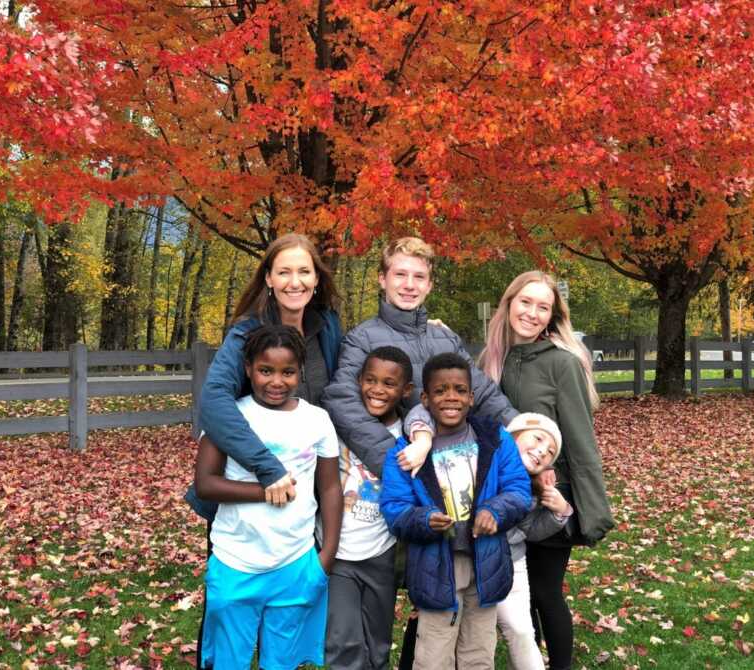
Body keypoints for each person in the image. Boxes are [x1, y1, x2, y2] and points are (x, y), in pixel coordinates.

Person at [185, 233, 342, 668]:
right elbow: (214, 400)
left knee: (285, 619)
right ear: (269, 278)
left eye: (304, 271)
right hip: (245, 491)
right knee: (227, 619)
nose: (296, 281)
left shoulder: (325, 326)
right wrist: (267, 470)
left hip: (304, 490)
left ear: (317, 278)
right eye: (285, 271)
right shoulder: (246, 333)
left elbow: (347, 383)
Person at [477, 270, 614, 670]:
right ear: (509, 303)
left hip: (551, 493)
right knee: (519, 598)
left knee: (544, 591)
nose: (532, 313)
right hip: (504, 497)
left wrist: (589, 510)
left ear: (552, 316)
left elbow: (580, 441)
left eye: (543, 307)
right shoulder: (491, 360)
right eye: (526, 302)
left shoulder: (562, 364)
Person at [379, 353, 531, 670]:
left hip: (485, 562)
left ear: (472, 397)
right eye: (440, 390)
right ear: (425, 398)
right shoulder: (405, 451)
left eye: (460, 390)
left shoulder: (495, 438)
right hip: (436, 567)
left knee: (478, 652)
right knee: (434, 656)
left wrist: (495, 510)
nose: (451, 397)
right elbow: (394, 508)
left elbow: (518, 489)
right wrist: (423, 519)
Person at [322, 236, 518, 480]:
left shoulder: (446, 340)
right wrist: (396, 463)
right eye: (400, 275)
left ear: (429, 285)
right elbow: (343, 401)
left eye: (419, 277)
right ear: (382, 279)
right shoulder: (361, 339)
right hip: (405, 471)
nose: (409, 285)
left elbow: (483, 393)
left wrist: (522, 430)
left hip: (456, 468)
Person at [317, 346, 415, 670]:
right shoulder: (339, 424)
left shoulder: (410, 436)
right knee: (342, 640)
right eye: (370, 380)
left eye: (389, 384)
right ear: (358, 380)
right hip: (338, 552)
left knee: (378, 643)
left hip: (381, 554)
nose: (377, 389)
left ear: (406, 391)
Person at [498, 413, 574, 670]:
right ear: (514, 435)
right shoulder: (480, 459)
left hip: (511, 561)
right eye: (538, 438)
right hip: (467, 559)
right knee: (471, 636)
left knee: (521, 631)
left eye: (550, 452)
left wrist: (559, 511)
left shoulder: (531, 487)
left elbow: (529, 530)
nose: (542, 451)